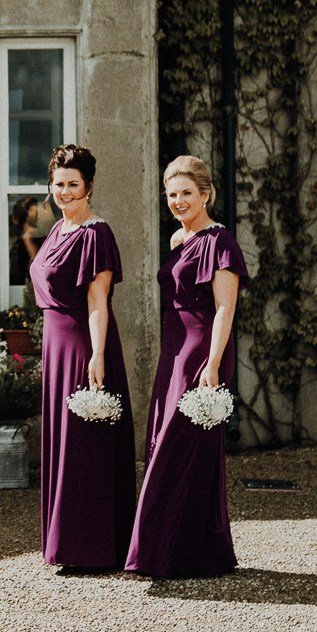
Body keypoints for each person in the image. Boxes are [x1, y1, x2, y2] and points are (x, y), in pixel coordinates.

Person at [124, 155, 247, 579]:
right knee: (164, 444)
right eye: (172, 194)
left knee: (179, 448)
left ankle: (160, 552)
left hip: (202, 351)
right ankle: (189, 552)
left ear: (206, 194)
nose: (178, 201)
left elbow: (225, 308)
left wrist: (213, 364)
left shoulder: (220, 241)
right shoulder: (180, 239)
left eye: (186, 193)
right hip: (173, 351)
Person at [29, 144, 136, 573]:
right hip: (56, 346)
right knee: (63, 444)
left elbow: (97, 300)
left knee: (85, 445)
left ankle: (93, 548)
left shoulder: (96, 234)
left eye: (73, 184)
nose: (65, 191)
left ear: (89, 186)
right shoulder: (58, 230)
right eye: (59, 184)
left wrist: (97, 353)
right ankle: (65, 543)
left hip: (81, 345)